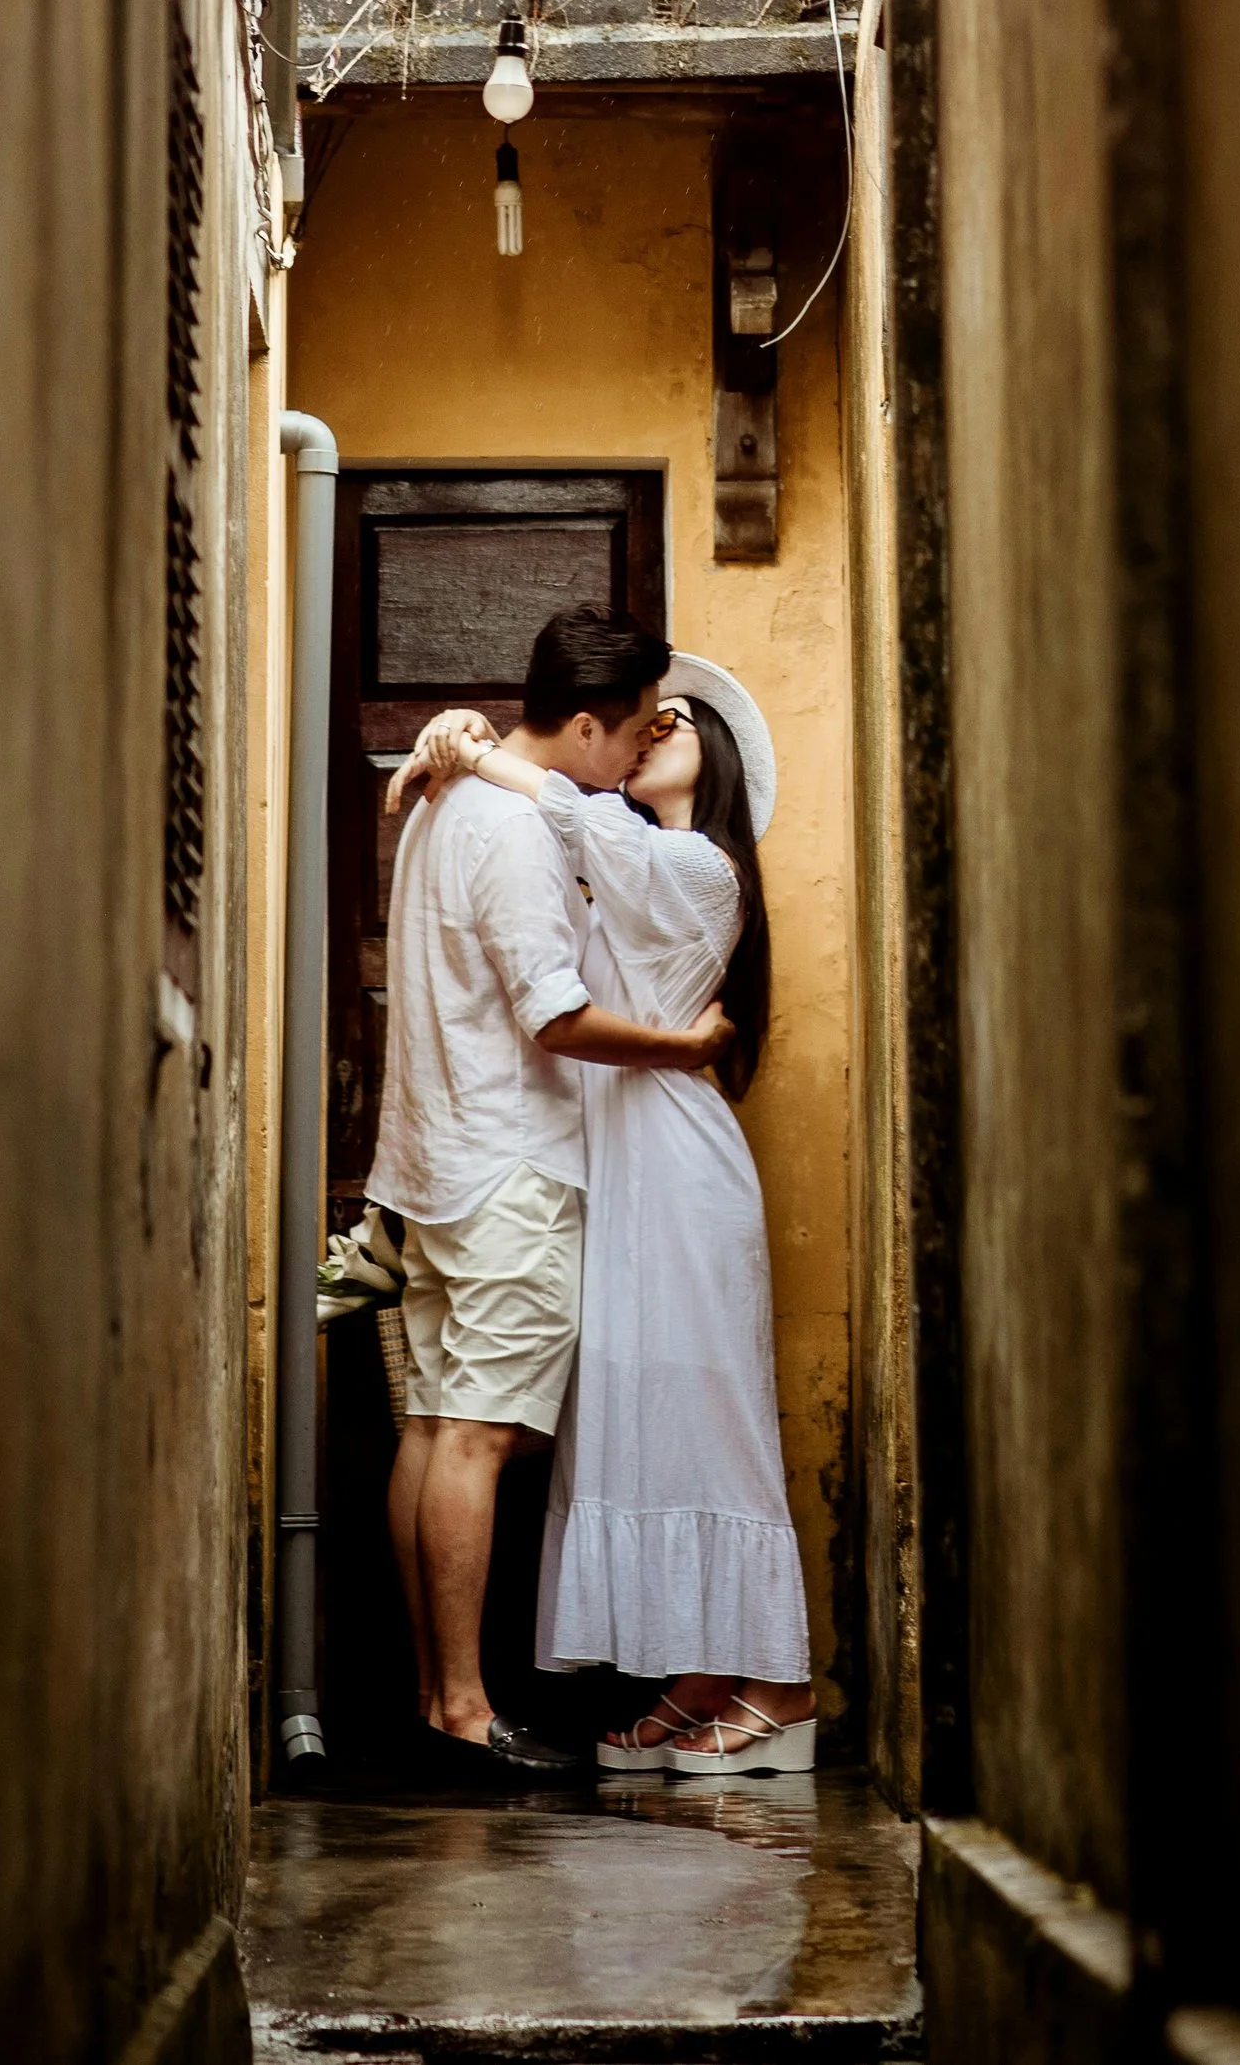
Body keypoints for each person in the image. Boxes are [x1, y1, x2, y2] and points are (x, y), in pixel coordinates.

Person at [393, 653, 815, 1780]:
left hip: (674, 1158)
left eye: (672, 723)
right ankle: (704, 1666)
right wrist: (461, 736)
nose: (649, 734)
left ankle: (780, 1677)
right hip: (617, 1154)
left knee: (709, 1401)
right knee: (648, 1405)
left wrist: (475, 746)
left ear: (711, 756)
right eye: (645, 719)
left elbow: (576, 814)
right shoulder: (609, 856)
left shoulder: (699, 865)